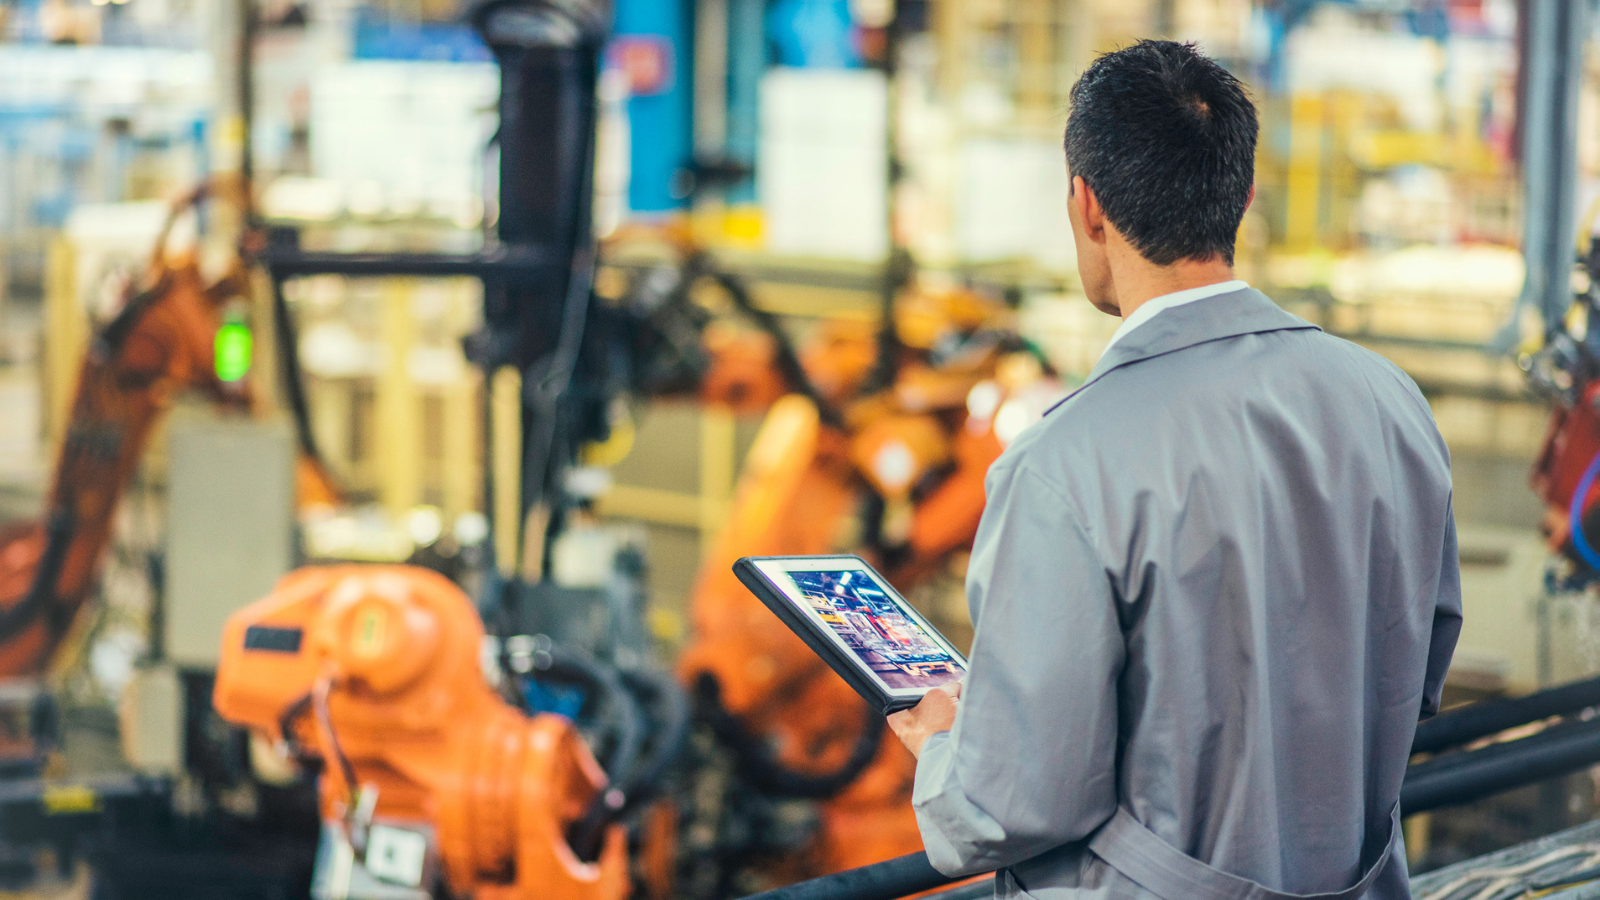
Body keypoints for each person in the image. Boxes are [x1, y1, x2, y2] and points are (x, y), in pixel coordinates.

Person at [886, 40, 1461, 900]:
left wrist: (943, 747)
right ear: (1243, 197)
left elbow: (1011, 806)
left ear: (1087, 207)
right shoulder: (1389, 401)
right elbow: (1420, 665)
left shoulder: (1062, 466)